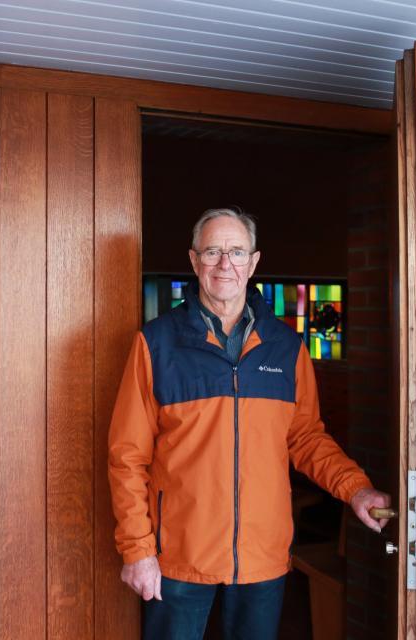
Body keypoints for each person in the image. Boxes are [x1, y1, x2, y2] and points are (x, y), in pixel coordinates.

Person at [108, 208, 391, 639]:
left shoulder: (286, 347)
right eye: (213, 252)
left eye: (237, 252)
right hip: (178, 554)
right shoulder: (156, 344)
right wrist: (137, 550)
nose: (225, 264)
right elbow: (127, 456)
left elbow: (306, 438)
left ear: (254, 262)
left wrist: (356, 489)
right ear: (194, 260)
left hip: (262, 553)